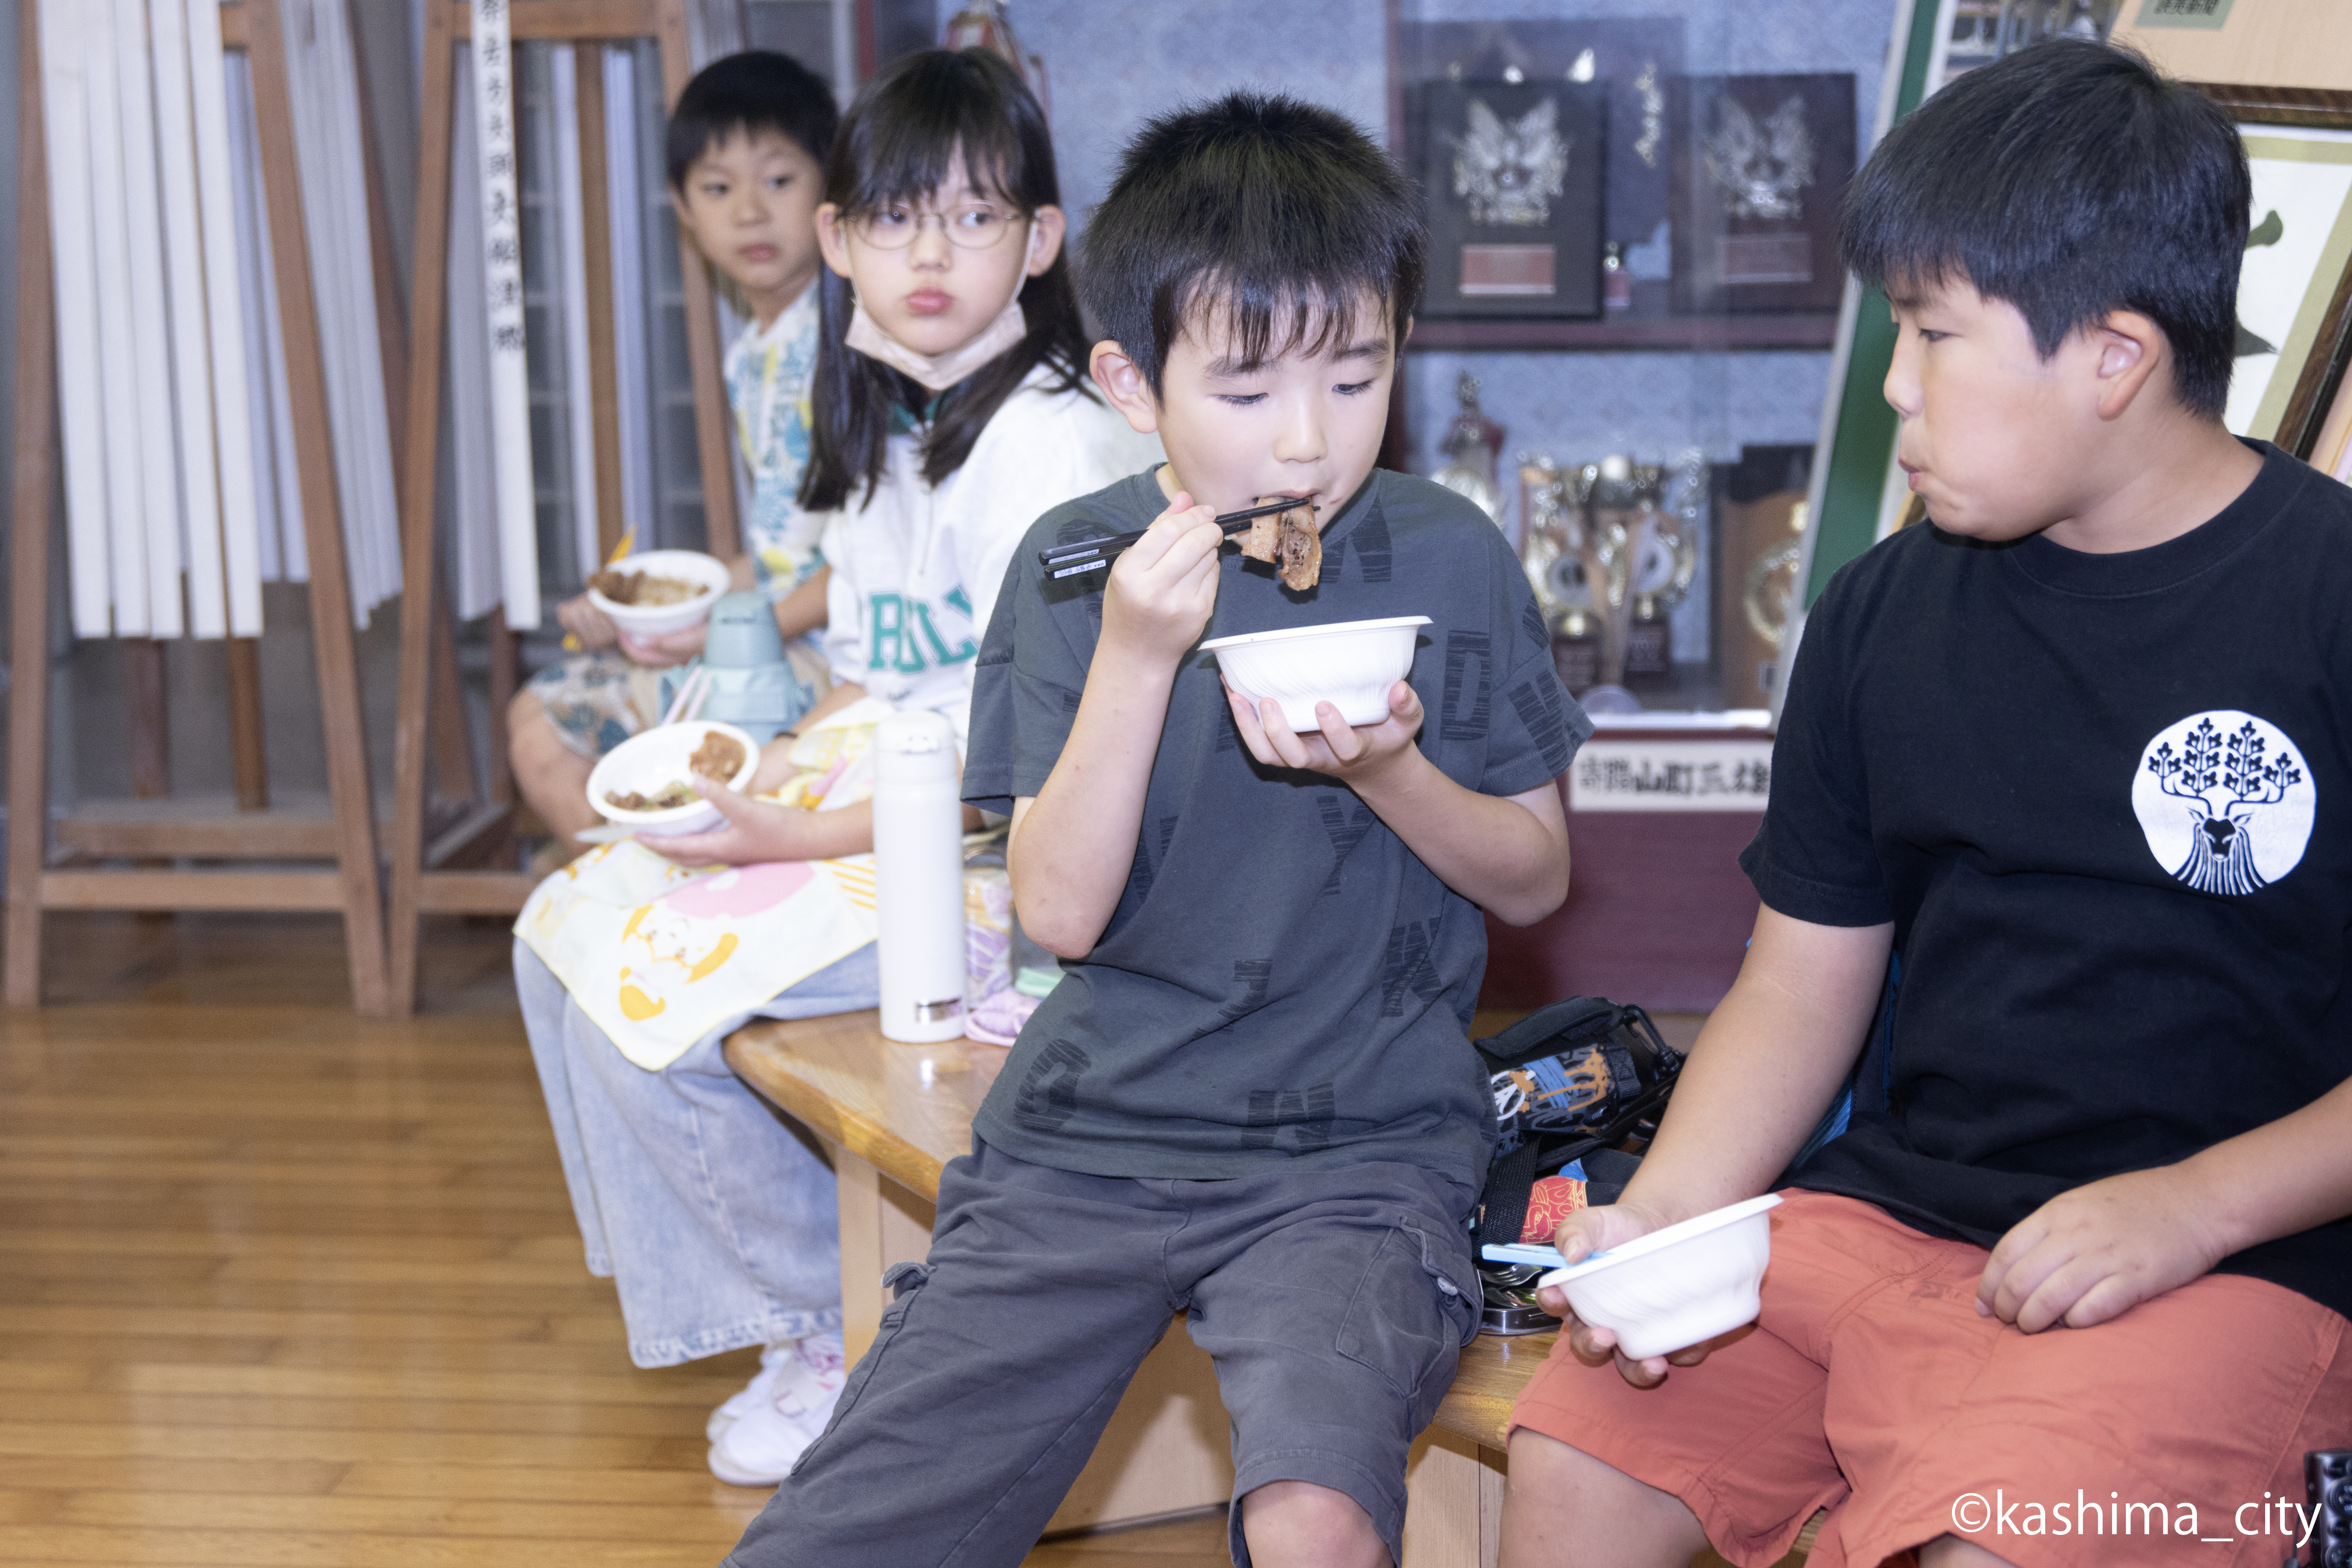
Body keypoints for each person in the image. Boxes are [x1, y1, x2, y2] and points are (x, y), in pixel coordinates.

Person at [1502, 40, 2352, 1568]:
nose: (1896, 387)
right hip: (1890, 1222)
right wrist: (1666, 1221)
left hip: (2247, 1257)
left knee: (1988, 1546)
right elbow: (1800, 976)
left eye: (1934, 334)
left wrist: (2193, 1206)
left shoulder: (2329, 598)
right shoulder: (1885, 608)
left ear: (2112, 356)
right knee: (1570, 1455)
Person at [722, 94, 1587, 1568]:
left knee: (1319, 1515)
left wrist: (1391, 769)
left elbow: (1537, 868)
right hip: (1086, 1138)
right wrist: (1135, 656)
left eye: (1359, 375)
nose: (1308, 441)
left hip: (1363, 1149)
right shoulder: (1072, 577)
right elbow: (1058, 914)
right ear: (1133, 382)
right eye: (1247, 391)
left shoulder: (1450, 554)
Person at [516, 47, 1158, 1489]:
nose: (929, 253)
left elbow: (1027, 771)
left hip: (1005, 867)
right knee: (566, 927)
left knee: (647, 996)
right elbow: (875, 674)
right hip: (889, 800)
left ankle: (832, 1329)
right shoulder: (890, 413)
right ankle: (796, 1308)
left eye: (976, 216)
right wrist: (759, 783)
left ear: (1042, 241)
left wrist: (781, 838)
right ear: (840, 241)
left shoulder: (1058, 447)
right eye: (893, 217)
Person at [510, 51, 839, 860]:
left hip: (843, 656)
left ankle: (656, 920)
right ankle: (663, 912)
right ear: (682, 208)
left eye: (779, 181)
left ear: (833, 189)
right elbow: (782, 552)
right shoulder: (756, 352)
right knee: (552, 708)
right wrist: (645, 610)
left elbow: (865, 566)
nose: (751, 213)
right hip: (785, 628)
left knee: (541, 726)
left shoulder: (844, 346)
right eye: (718, 188)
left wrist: (714, 634)